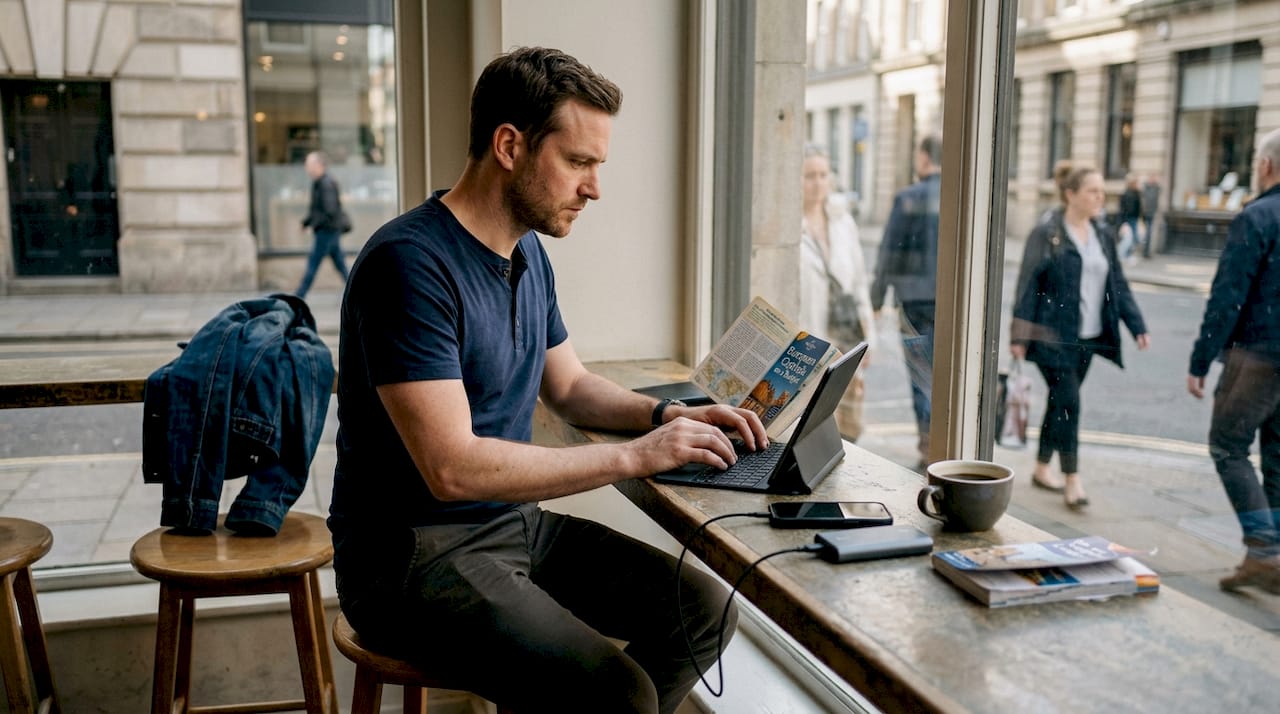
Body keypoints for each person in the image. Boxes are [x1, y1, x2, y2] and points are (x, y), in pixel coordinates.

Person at [328, 47, 768, 714]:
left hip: (509, 529)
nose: (594, 187)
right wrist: (632, 457)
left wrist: (668, 418)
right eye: (579, 162)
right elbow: (452, 468)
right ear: (510, 145)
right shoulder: (408, 266)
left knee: (702, 610)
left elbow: (570, 387)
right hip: (412, 559)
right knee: (618, 693)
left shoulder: (527, 251)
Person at [1010, 163, 1151, 510]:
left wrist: (1137, 325)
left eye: (1103, 191)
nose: (1101, 198)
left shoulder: (1103, 233)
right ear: (1071, 194)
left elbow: (1117, 283)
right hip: (1051, 336)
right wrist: (1019, 335)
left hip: (1088, 337)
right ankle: (1072, 479)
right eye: (1093, 191)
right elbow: (1029, 284)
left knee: (1060, 403)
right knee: (1070, 402)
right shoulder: (1047, 233)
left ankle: (1042, 467)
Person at [1186, 127, 1280, 594]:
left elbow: (1228, 298)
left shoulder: (1257, 216)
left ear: (1265, 165)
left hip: (1258, 356)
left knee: (1228, 444)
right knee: (1278, 455)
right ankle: (1267, 558)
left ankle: (1263, 549)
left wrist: (1201, 360)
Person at [871, 134, 942, 469]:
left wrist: (876, 298)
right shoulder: (960, 193)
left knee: (921, 373)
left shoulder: (908, 197)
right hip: (950, 304)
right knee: (948, 372)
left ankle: (928, 443)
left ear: (924, 158)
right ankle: (943, 441)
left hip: (913, 302)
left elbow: (889, 253)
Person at [800, 144, 876, 441]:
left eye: (823, 174)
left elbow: (858, 282)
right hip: (813, 336)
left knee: (849, 427)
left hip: (846, 336)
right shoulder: (792, 229)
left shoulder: (843, 222)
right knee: (815, 424)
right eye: (809, 175)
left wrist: (867, 336)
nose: (818, 182)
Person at [295, 150, 349, 298]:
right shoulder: (320, 183)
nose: (307, 168)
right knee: (340, 265)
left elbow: (328, 210)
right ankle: (358, 291)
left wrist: (313, 224)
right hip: (329, 230)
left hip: (327, 231)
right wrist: (306, 222)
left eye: (309, 165)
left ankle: (298, 296)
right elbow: (316, 209)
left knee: (313, 264)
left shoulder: (325, 184)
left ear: (319, 165)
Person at [1118, 173, 1143, 262]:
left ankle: (1126, 255)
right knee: (1129, 239)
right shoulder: (1127, 194)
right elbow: (1123, 209)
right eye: (1136, 182)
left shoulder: (1136, 193)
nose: (1137, 184)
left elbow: (1139, 207)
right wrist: (1123, 222)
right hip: (1128, 219)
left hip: (1134, 219)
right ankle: (1121, 255)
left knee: (1132, 239)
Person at [1141, 173, 1162, 258]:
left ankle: (1146, 251)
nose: (1153, 180)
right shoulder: (1146, 188)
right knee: (1146, 233)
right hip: (1145, 214)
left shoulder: (1156, 188)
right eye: (1152, 178)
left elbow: (1160, 191)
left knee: (1148, 233)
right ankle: (1144, 251)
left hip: (1151, 214)